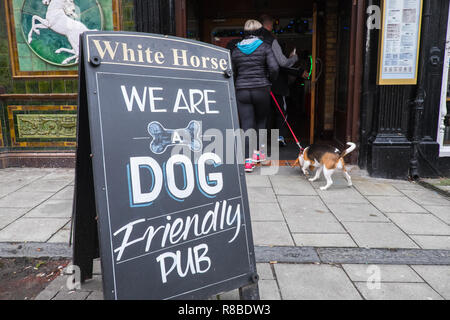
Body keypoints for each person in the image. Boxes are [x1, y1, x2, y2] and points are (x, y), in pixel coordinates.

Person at [231, 19, 279, 172]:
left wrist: (239, 82)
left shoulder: (236, 50)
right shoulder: (265, 47)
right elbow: (274, 68)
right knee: (261, 122)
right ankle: (261, 155)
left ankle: (248, 161)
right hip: (261, 89)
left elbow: (231, 72)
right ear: (260, 32)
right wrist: (269, 81)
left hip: (242, 91)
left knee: (246, 125)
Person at [259, 14, 309, 147]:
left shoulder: (251, 40)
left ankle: (260, 143)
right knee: (280, 112)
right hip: (275, 83)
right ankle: (278, 138)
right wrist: (294, 58)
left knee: (262, 113)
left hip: (257, 83)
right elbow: (282, 63)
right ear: (270, 25)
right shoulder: (271, 40)